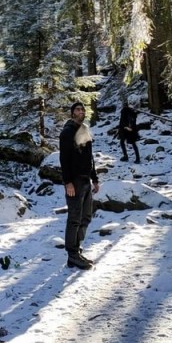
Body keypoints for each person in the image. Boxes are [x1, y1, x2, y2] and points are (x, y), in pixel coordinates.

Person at [59, 101, 100, 269]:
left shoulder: (84, 130)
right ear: (72, 113)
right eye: (78, 109)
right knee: (74, 219)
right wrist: (67, 182)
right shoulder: (67, 132)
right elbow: (64, 159)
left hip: (85, 180)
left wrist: (94, 178)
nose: (81, 111)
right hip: (74, 181)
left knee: (86, 216)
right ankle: (72, 254)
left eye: (83, 109)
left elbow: (90, 157)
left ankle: (76, 249)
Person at [118, 98, 140, 163]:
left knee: (124, 142)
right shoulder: (132, 111)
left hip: (126, 129)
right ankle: (136, 158)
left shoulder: (124, 110)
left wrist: (124, 127)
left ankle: (127, 156)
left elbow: (123, 120)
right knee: (130, 143)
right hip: (130, 129)